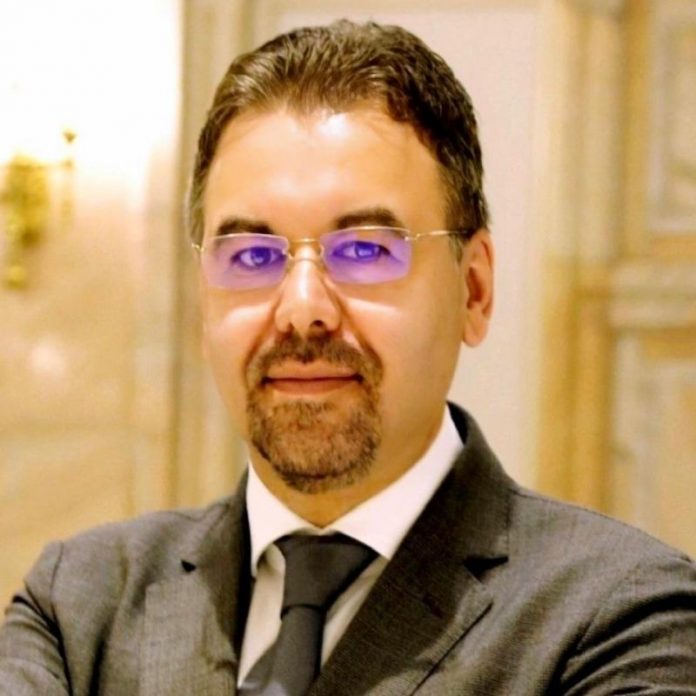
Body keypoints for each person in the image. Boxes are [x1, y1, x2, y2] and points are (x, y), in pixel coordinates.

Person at [1, 19, 695, 696]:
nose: (302, 308)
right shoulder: (81, 606)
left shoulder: (622, 617)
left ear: (474, 290)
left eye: (364, 250)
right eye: (252, 256)